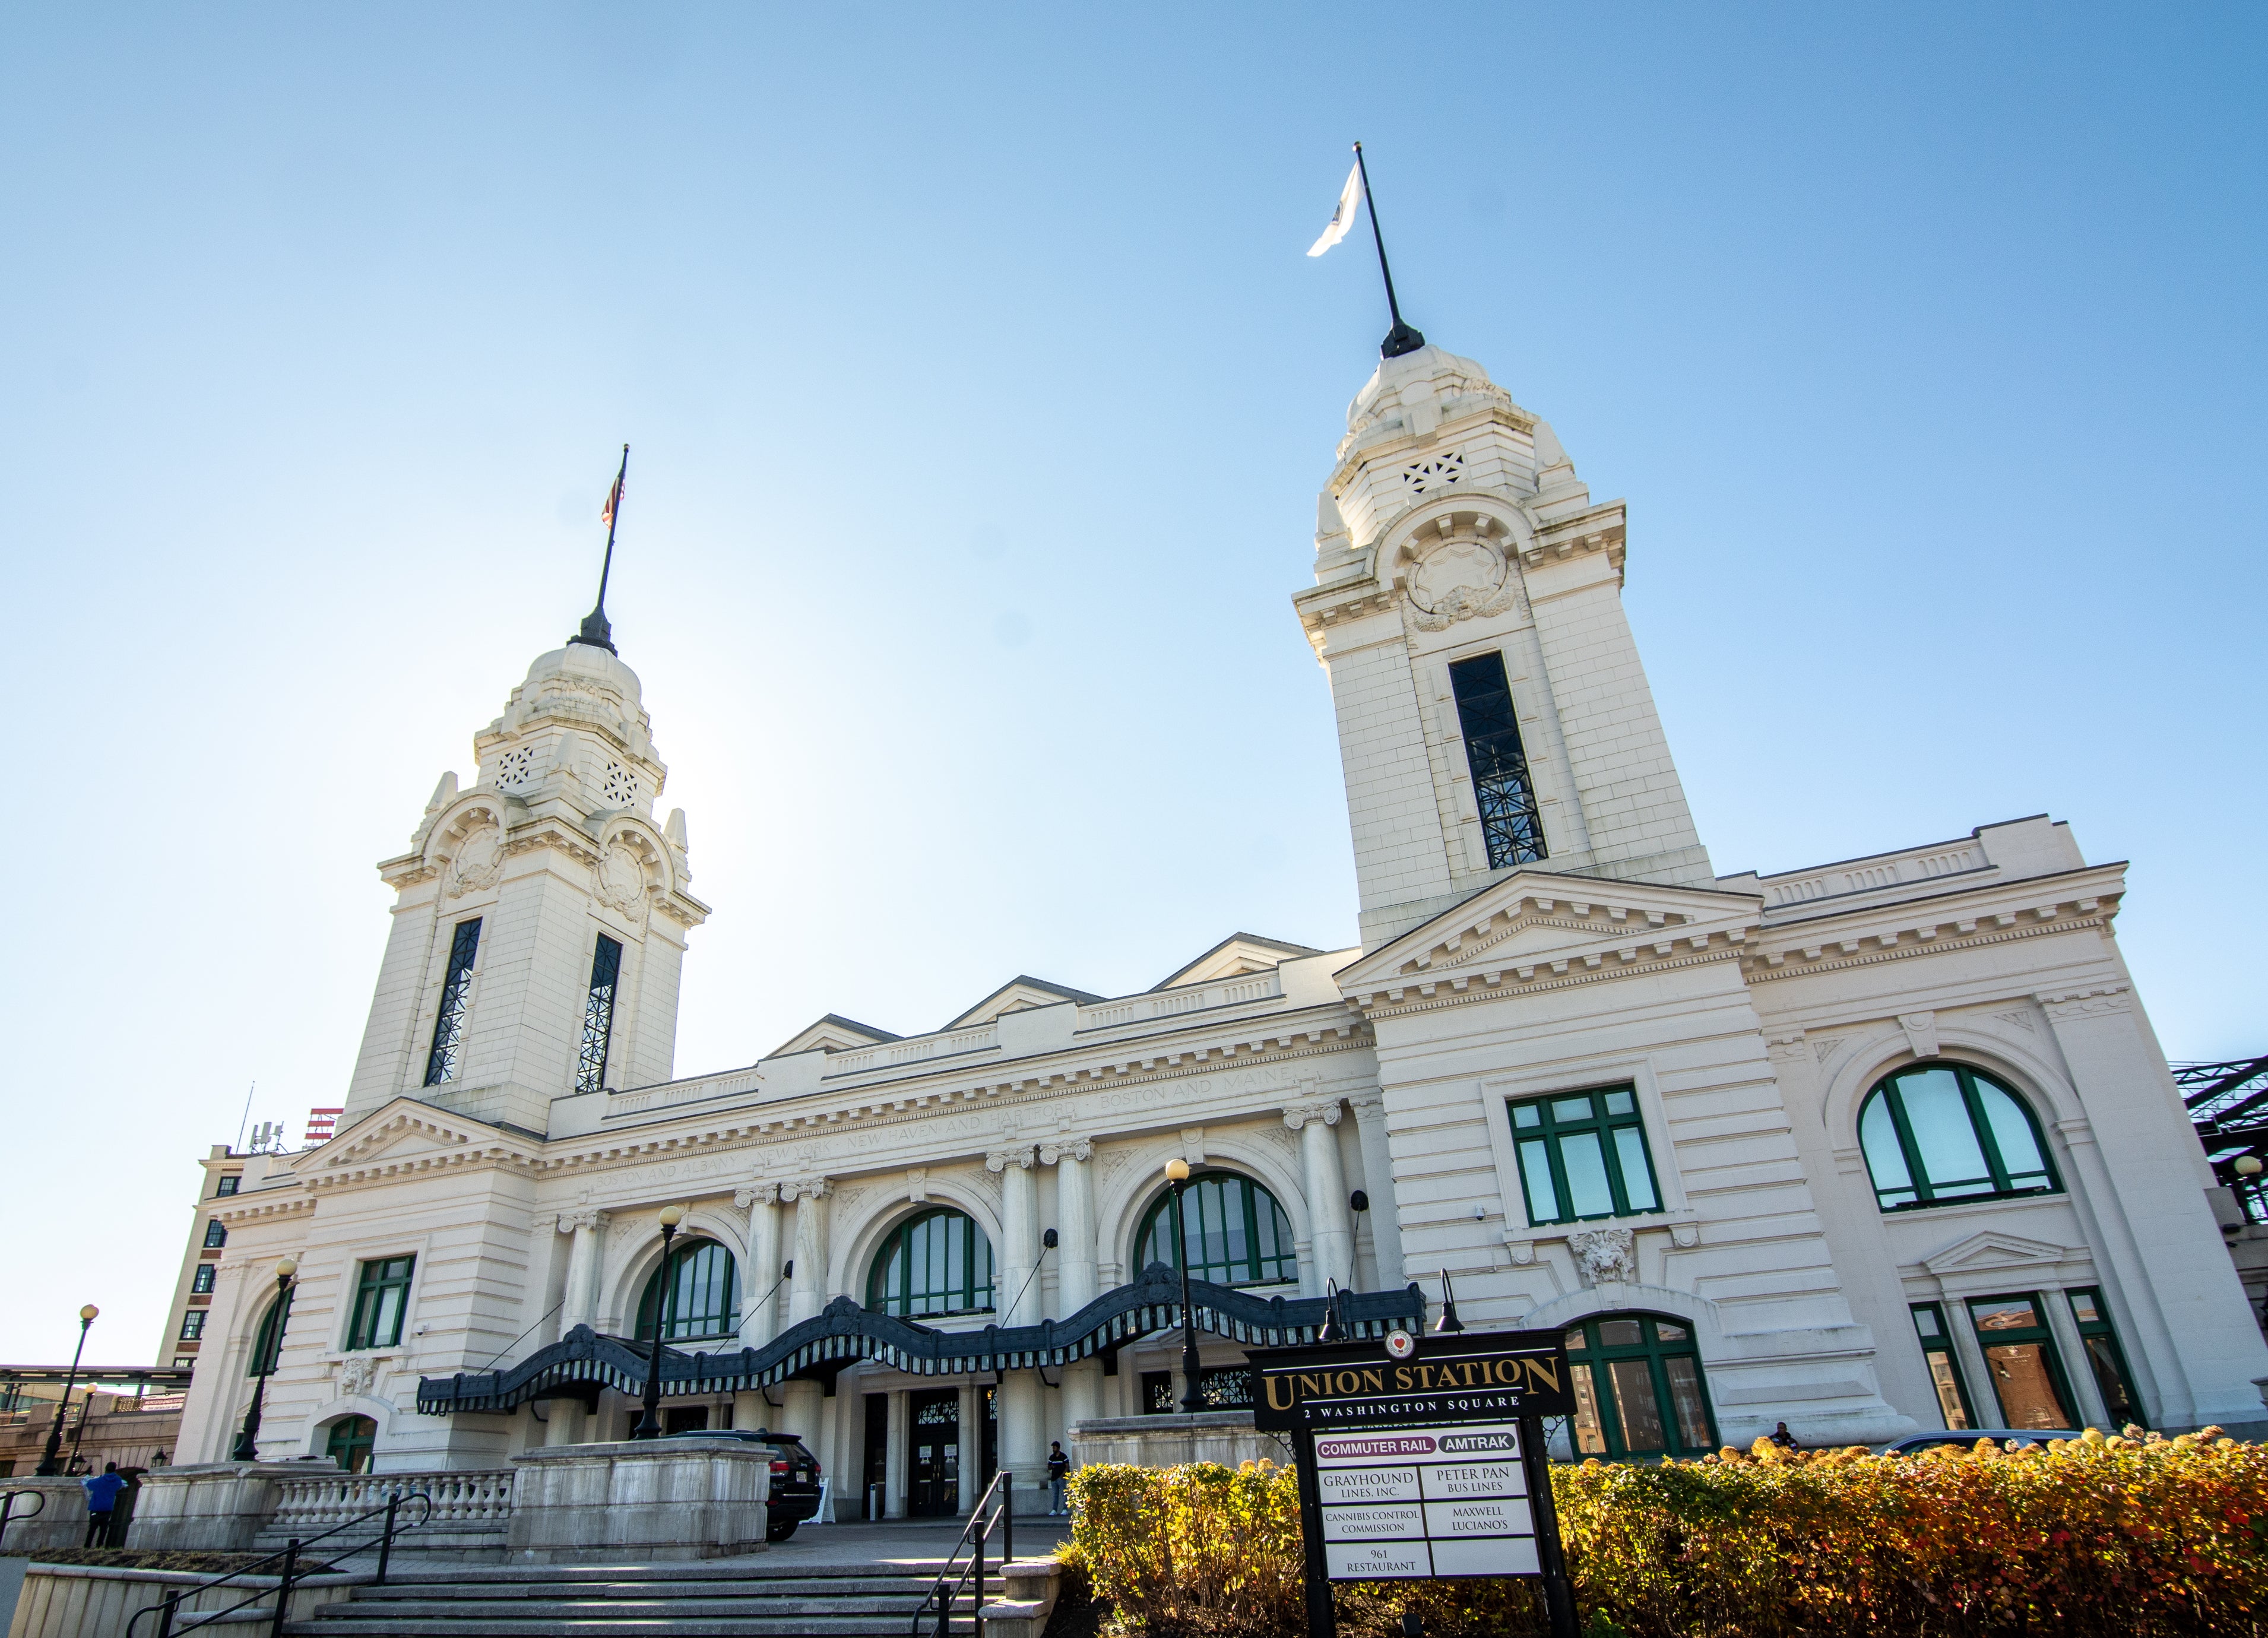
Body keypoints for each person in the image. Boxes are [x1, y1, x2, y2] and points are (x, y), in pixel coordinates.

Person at [83, 1462, 127, 1547]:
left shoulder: (100, 1480)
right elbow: (119, 1486)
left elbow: (89, 1485)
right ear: (115, 1469)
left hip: (97, 1507)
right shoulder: (118, 1480)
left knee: (92, 1528)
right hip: (108, 1507)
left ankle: (87, 1546)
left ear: (106, 1469)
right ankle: (99, 1545)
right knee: (104, 1529)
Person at [1045, 1441, 1071, 1516]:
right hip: (1054, 1478)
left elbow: (1067, 1466)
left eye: (1055, 1448)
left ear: (1058, 1448)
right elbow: (1049, 1467)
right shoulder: (1052, 1457)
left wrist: (1062, 1475)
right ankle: (1054, 1510)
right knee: (1055, 1495)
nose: (1053, 1449)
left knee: (1063, 1494)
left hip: (1061, 1478)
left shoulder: (1063, 1456)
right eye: (1053, 1448)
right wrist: (1052, 1466)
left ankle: (1065, 1509)